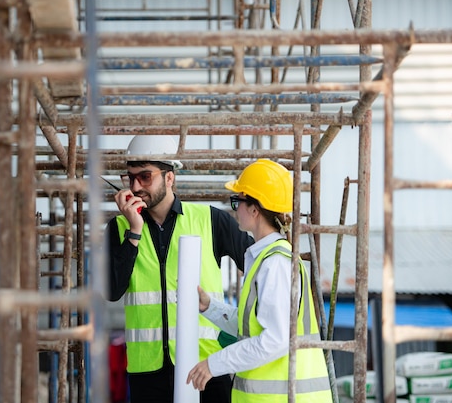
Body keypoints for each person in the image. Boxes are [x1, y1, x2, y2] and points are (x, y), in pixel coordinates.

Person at [106, 135, 254, 403]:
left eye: (145, 176)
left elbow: (260, 269)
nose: (136, 186)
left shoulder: (211, 220)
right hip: (147, 374)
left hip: (206, 368)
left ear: (170, 178)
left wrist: (246, 326)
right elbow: (111, 291)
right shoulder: (119, 228)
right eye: (130, 178)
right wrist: (134, 233)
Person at [186, 159, 333, 403]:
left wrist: (214, 364)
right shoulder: (266, 258)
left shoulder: (275, 264)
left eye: (238, 201)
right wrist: (208, 307)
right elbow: (251, 327)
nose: (235, 209)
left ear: (255, 209)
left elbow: (274, 339)